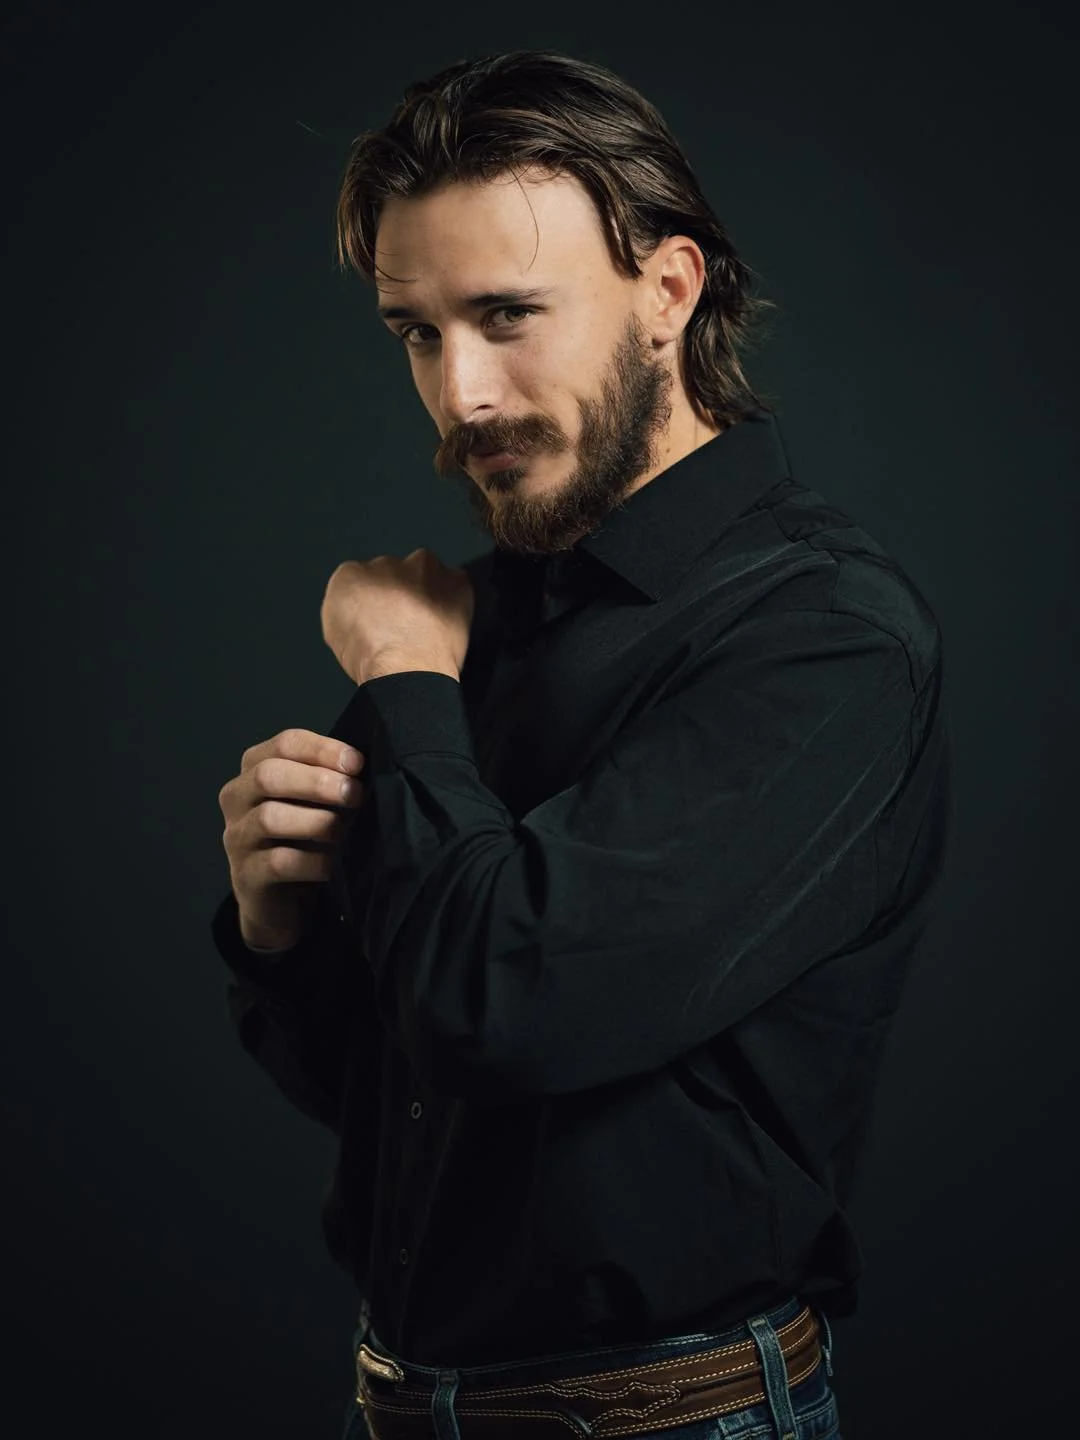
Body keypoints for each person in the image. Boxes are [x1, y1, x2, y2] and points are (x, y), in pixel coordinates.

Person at [211, 49, 951, 1440]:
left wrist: (404, 680)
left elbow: (504, 1008)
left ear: (668, 292)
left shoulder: (827, 638)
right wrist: (281, 932)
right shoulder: (472, 621)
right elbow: (388, 1097)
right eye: (416, 332)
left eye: (506, 314)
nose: (462, 394)